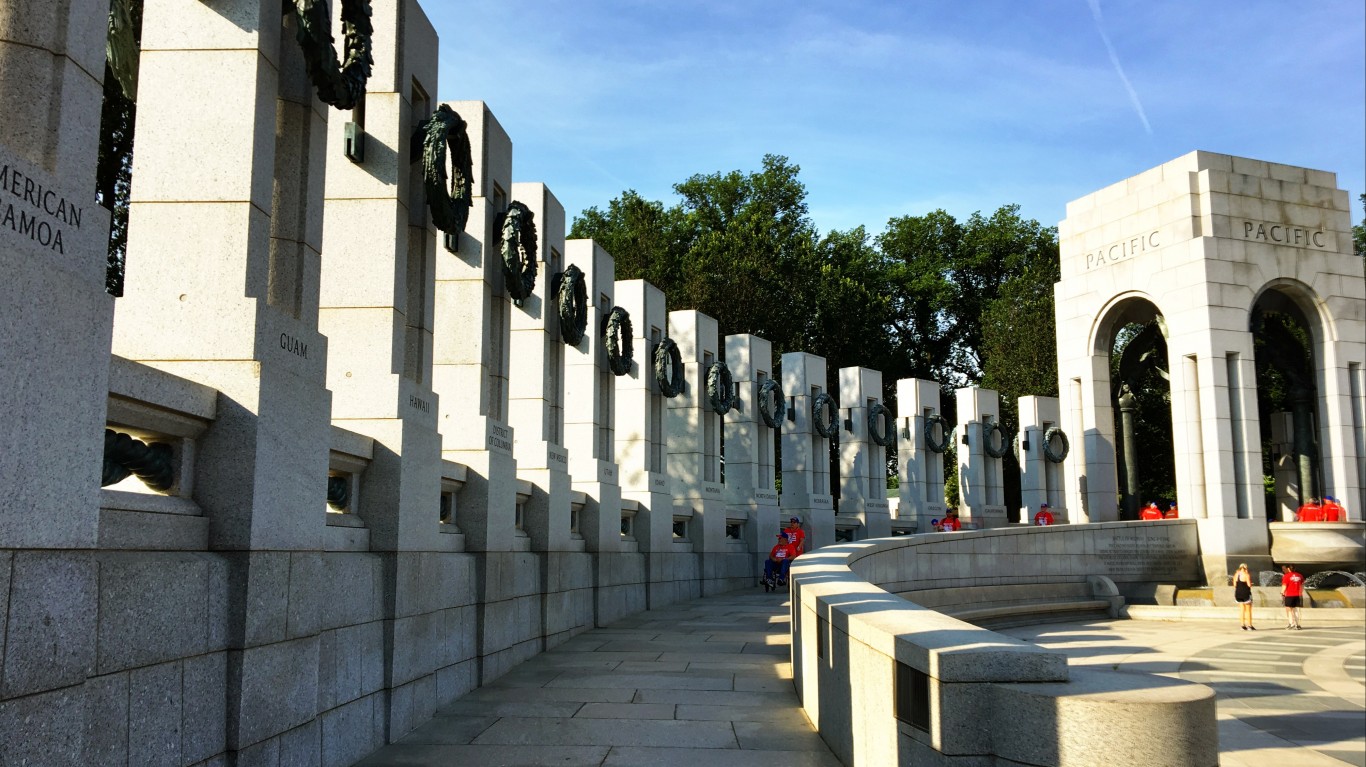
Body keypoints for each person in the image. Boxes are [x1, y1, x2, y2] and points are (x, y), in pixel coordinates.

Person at [1281, 564, 1305, 629]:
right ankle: (1297, 625)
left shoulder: (1286, 576)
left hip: (1289, 595)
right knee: (1296, 609)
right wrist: (1300, 592)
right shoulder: (1300, 575)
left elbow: (1284, 585)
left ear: (1288, 569)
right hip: (1298, 595)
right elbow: (1302, 585)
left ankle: (1291, 624)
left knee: (1289, 609)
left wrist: (1282, 592)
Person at [1233, 563, 1255, 630]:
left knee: (1241, 610)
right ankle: (1249, 625)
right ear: (1245, 568)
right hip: (1245, 593)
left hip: (1238, 594)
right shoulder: (1246, 575)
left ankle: (1242, 625)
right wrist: (1251, 583)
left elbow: (1234, 585)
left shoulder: (1236, 575)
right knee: (1248, 610)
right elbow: (1249, 585)